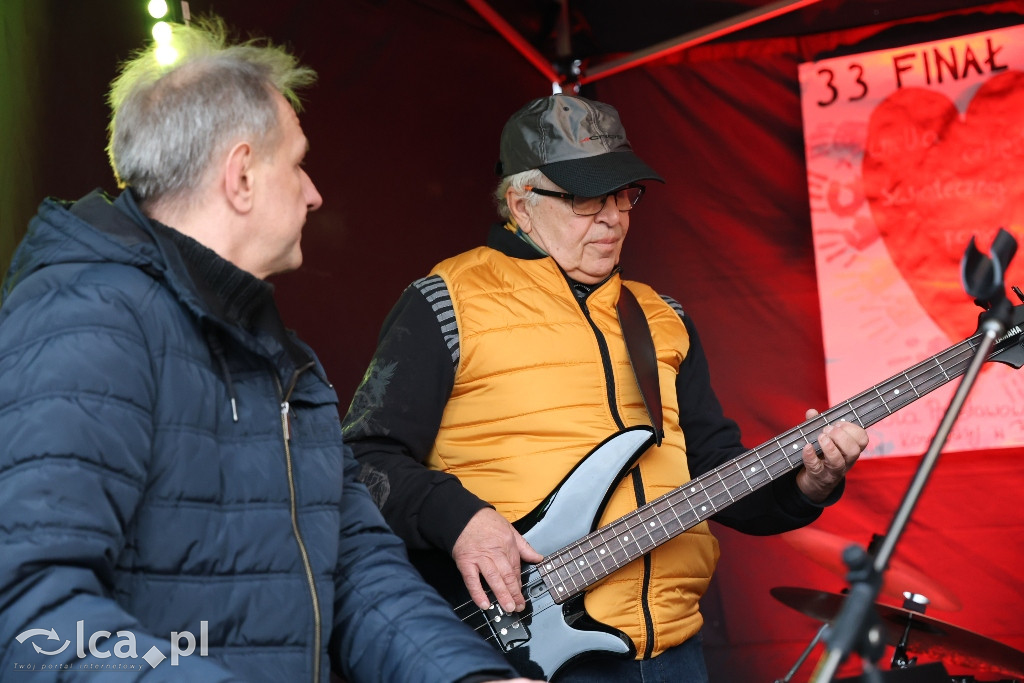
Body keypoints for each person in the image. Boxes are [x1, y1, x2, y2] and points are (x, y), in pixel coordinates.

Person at [0, 17, 538, 683]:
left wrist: (471, 677)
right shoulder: (86, 322)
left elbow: (356, 570)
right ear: (242, 175)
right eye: (298, 162)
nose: (314, 193)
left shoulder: (287, 365)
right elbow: (31, 621)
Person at [341, 94, 869, 682]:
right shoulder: (445, 301)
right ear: (522, 203)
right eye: (589, 198)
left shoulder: (663, 317)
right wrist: (462, 518)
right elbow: (364, 459)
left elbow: (714, 473)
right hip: (519, 647)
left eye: (623, 195)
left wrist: (805, 484)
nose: (615, 217)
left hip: (674, 650)